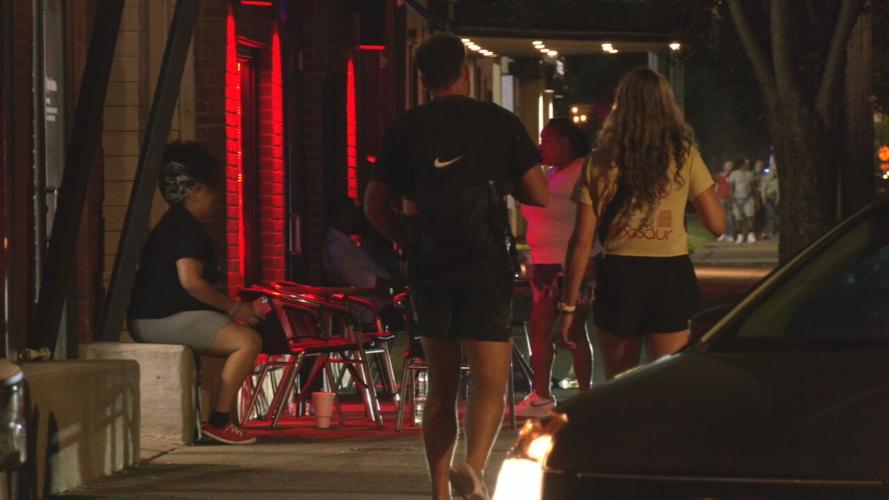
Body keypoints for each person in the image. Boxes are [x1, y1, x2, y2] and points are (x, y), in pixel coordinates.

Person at [364, 33, 548, 500]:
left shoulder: (405, 129)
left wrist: (404, 239)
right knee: (490, 381)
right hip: (485, 263)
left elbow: (373, 204)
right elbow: (540, 193)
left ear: (422, 78)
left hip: (429, 265)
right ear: (465, 71)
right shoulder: (499, 123)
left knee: (442, 385)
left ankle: (439, 489)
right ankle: (473, 465)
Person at [556, 68, 724, 381]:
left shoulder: (599, 161)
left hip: (620, 277)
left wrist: (568, 309)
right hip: (671, 275)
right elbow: (716, 224)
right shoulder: (685, 156)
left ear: (621, 107)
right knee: (670, 384)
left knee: (620, 384)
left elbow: (581, 241)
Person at [128, 141, 263, 445]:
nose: (213, 202)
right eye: (212, 194)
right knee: (247, 341)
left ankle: (214, 417)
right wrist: (233, 308)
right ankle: (219, 421)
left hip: (153, 315)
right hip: (162, 317)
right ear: (197, 191)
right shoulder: (186, 228)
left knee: (226, 340)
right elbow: (190, 281)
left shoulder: (170, 225)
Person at [516, 118, 594, 418]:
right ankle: (542, 393)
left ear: (564, 142)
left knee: (572, 328)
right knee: (540, 326)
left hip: (572, 262)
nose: (541, 145)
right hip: (543, 261)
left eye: (546, 140)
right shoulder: (548, 173)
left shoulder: (584, 169)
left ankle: (586, 393)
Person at [729, 158, 757, 244]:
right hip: (737, 198)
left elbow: (753, 186)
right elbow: (731, 187)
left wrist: (753, 197)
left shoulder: (750, 174)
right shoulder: (734, 174)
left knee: (750, 216)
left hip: (748, 198)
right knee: (738, 218)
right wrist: (732, 198)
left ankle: (750, 235)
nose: (747, 165)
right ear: (741, 165)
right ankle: (739, 236)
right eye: (745, 164)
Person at [713, 160, 734, 242]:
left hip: (730, 199)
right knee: (721, 217)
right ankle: (722, 234)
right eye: (727, 166)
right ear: (724, 167)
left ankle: (730, 234)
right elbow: (716, 187)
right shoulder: (719, 176)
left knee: (729, 217)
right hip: (721, 198)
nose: (729, 167)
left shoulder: (733, 176)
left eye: (730, 166)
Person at [761, 156, 779, 239]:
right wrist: (764, 198)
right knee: (771, 215)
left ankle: (776, 232)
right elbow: (764, 187)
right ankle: (772, 232)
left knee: (777, 215)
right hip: (770, 196)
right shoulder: (768, 175)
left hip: (778, 196)